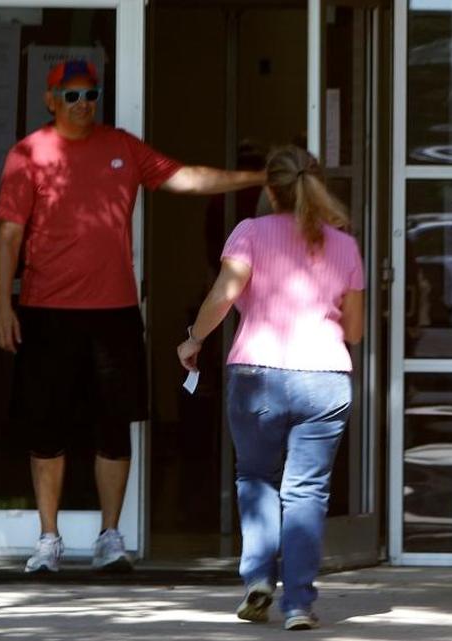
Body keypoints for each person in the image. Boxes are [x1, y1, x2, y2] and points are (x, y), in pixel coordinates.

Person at [0, 59, 266, 574]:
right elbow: (8, 235)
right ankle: (48, 540)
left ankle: (110, 538)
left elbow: (186, 178)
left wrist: (259, 177)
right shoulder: (28, 154)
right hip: (46, 312)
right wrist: (2, 303)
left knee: (113, 428)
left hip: (114, 312)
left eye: (90, 93)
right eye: (70, 95)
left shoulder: (121, 146)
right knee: (46, 429)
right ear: (50, 99)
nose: (83, 103)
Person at [176, 145, 363, 631]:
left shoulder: (249, 233)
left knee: (256, 477)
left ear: (268, 189)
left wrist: (193, 340)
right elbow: (357, 331)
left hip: (257, 374)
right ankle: (299, 603)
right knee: (306, 493)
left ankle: (259, 581)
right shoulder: (344, 245)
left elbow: (224, 295)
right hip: (324, 380)